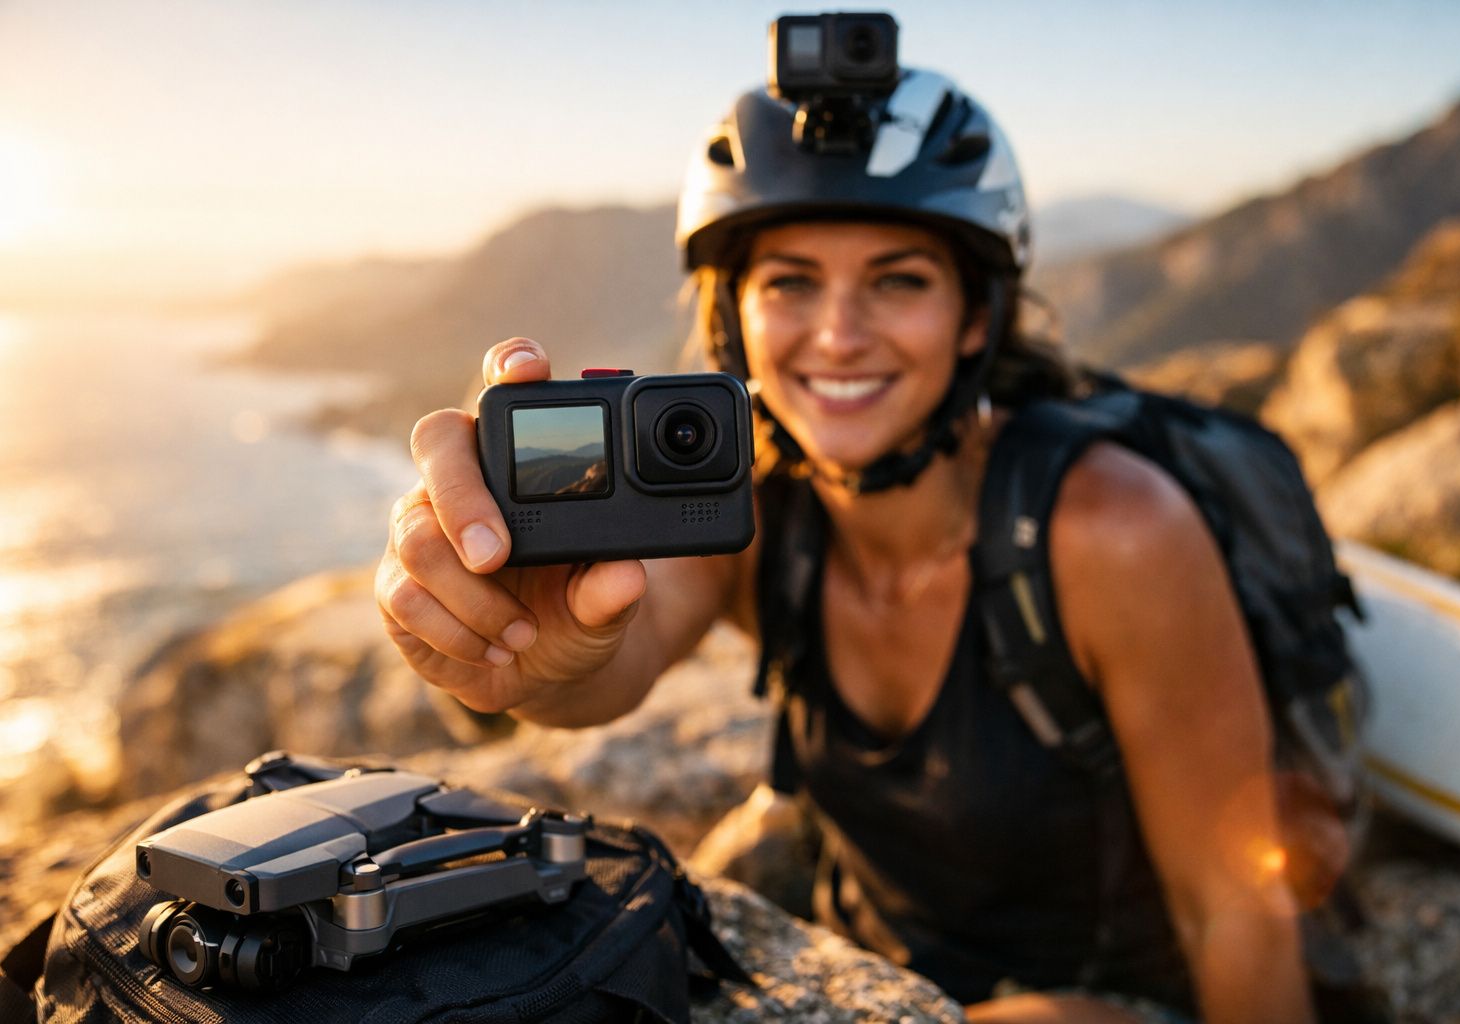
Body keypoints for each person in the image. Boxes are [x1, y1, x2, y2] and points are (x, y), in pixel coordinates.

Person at [375, 60, 1317, 1024]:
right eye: (790, 283)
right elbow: (621, 655)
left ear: (975, 318)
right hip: (877, 980)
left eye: (898, 280)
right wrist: (522, 654)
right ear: (732, 317)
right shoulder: (752, 516)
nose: (837, 334)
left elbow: (1235, 913)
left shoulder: (1112, 532)